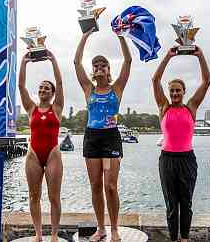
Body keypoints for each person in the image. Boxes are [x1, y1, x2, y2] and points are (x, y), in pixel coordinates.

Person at [73, 27, 132, 242]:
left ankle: (115, 227)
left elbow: (128, 62)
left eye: (103, 65)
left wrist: (120, 36)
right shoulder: (88, 88)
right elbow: (76, 63)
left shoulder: (117, 88)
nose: (98, 68)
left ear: (108, 70)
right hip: (92, 137)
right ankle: (101, 228)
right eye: (95, 66)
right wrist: (85, 34)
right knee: (96, 185)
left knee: (111, 185)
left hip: (110, 137)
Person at [151, 46, 210, 242]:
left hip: (187, 160)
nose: (175, 93)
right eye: (172, 91)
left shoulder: (191, 107)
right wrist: (168, 56)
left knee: (186, 202)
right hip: (167, 160)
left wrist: (200, 56)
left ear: (184, 92)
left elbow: (206, 81)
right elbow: (155, 80)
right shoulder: (164, 107)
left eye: (178, 90)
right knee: (171, 204)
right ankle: (173, 239)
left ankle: (184, 238)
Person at [18, 49, 64, 242]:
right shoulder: (31, 108)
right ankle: (38, 234)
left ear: (52, 93)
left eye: (47, 88)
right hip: (34, 155)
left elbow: (60, 83)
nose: (43, 90)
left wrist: (53, 59)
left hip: (53, 153)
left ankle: (53, 234)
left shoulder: (57, 107)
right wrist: (24, 62)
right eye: (41, 88)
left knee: (54, 197)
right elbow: (21, 86)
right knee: (33, 196)